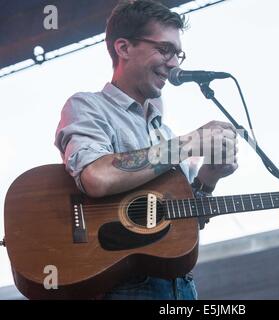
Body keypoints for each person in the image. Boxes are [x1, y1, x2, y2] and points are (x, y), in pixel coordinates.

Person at [55, 0, 238, 300]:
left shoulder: (164, 133)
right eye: (164, 49)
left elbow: (184, 221)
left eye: (178, 53)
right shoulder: (88, 107)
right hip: (123, 287)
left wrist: (209, 177)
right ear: (123, 48)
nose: (174, 63)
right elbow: (96, 177)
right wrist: (190, 143)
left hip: (180, 288)